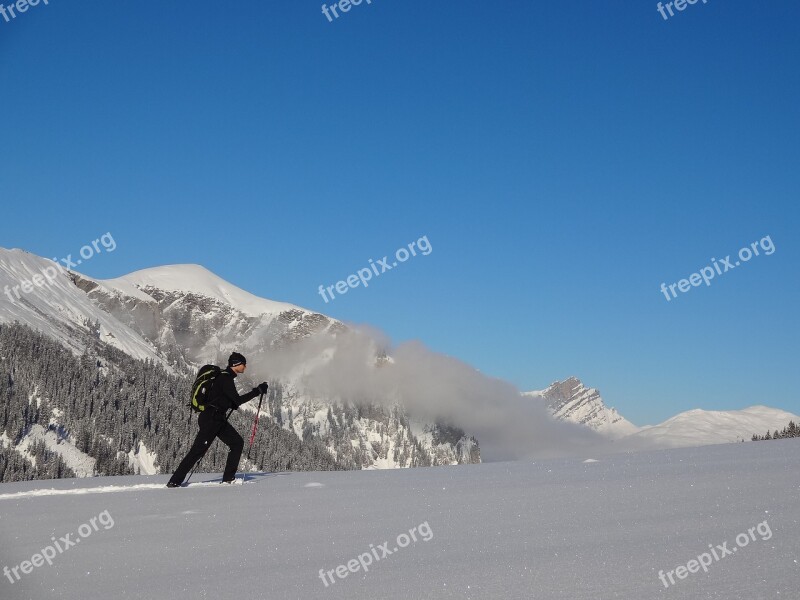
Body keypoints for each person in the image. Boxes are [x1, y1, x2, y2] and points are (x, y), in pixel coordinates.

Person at [167, 352, 268, 487]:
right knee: (197, 451)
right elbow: (237, 400)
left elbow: (223, 399)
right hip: (211, 419)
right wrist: (257, 391)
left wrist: (229, 403)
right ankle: (174, 481)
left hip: (217, 419)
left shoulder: (225, 378)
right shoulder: (225, 379)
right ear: (236, 364)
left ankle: (228, 479)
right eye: (244, 364)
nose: (245, 367)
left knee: (237, 443)